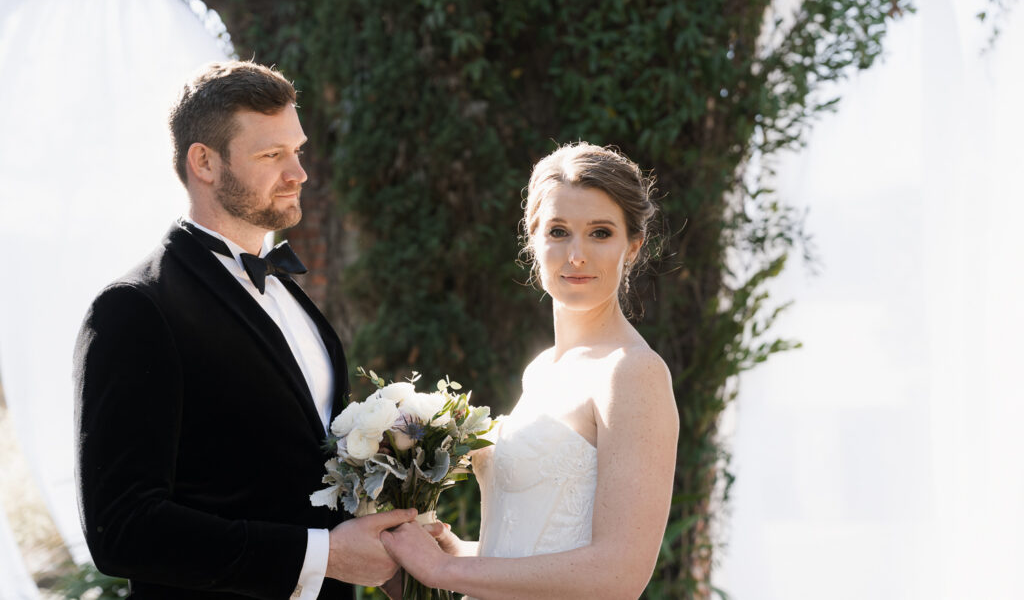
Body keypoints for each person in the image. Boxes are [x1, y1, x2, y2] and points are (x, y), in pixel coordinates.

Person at [73, 60, 416, 600]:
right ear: (204, 162)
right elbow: (122, 528)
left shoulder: (294, 299)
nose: (298, 172)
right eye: (271, 155)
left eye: (297, 150)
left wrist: (393, 546)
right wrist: (322, 556)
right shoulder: (135, 309)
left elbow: (298, 476)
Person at [379, 143, 679, 599]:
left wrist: (444, 571)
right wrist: (455, 554)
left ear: (632, 247)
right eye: (559, 231)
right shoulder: (540, 372)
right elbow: (535, 546)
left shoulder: (632, 373)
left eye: (600, 233)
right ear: (533, 239)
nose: (576, 255)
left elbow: (618, 572)